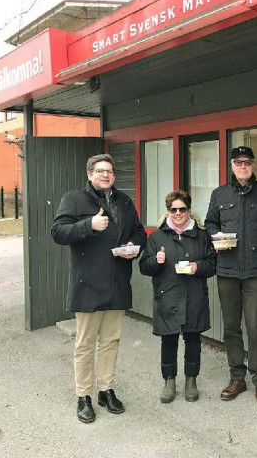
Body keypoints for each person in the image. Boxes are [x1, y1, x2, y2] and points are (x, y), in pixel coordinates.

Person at [51, 154, 146, 424]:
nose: (106, 175)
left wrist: (133, 248)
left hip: (117, 282)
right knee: (85, 344)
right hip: (88, 284)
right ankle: (84, 396)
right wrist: (88, 225)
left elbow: (139, 232)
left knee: (111, 341)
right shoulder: (74, 199)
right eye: (100, 171)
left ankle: (105, 390)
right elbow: (58, 232)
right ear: (90, 175)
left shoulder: (124, 201)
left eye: (110, 171)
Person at [205, 146, 257, 409]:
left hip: (255, 270)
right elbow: (210, 222)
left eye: (248, 162)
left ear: (253, 166)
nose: (243, 166)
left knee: (255, 327)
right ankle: (236, 378)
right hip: (227, 269)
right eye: (239, 162)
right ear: (231, 165)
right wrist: (216, 235)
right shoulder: (220, 194)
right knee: (231, 327)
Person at [139, 190, 216, 404]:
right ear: (168, 211)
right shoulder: (156, 237)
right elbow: (144, 267)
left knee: (193, 340)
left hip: (194, 296)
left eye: (182, 209)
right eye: (174, 210)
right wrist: (156, 260)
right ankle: (169, 381)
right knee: (169, 340)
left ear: (189, 211)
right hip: (168, 296)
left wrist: (197, 267)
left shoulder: (201, 236)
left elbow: (212, 265)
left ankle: (191, 381)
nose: (178, 213)